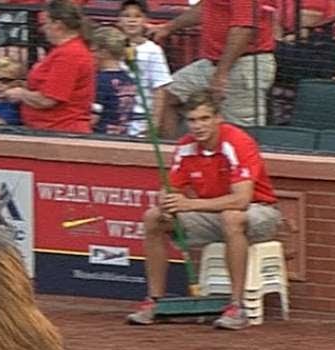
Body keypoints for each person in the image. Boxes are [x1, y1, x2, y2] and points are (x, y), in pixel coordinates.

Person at [126, 91, 282, 331]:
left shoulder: (237, 142)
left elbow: (241, 200)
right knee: (153, 218)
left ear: (218, 118)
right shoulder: (185, 147)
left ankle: (237, 307)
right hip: (212, 215)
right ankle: (153, 302)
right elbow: (171, 188)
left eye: (204, 118)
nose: (198, 126)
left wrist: (189, 204)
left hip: (259, 212)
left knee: (232, 217)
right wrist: (167, 203)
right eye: (192, 120)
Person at [152, 0, 276, 137]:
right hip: (213, 62)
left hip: (246, 63)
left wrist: (221, 74)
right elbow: (207, 6)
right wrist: (168, 28)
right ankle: (174, 155)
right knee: (168, 95)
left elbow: (244, 28)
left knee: (240, 131)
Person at [1, 0, 96, 133]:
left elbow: (48, 99)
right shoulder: (63, 51)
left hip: (62, 132)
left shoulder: (70, 54)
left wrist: (21, 94)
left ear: (57, 24)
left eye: (45, 23)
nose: (42, 29)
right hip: (50, 131)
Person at [118, 0, 173, 137]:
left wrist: (155, 122)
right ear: (119, 20)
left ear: (145, 20)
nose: (132, 21)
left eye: (137, 16)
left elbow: (160, 88)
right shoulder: (112, 48)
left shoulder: (153, 50)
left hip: (141, 119)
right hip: (116, 118)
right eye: (127, 16)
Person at [91, 26, 139, 135]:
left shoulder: (100, 80)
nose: (91, 55)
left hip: (100, 137)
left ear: (103, 52)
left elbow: (93, 118)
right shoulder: (128, 79)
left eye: (93, 50)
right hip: (122, 135)